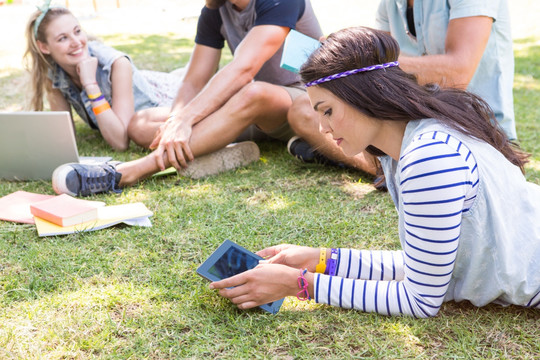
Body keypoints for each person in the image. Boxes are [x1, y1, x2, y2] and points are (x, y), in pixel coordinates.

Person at [209, 27, 540, 317]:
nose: (322, 128)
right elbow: (424, 266)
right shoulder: (410, 147)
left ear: (363, 95)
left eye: (328, 111)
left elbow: (420, 298)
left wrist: (299, 285)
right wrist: (320, 259)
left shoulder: (429, 158)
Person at [51, 0, 323, 197]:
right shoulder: (215, 12)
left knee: (252, 91)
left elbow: (244, 69)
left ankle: (131, 172)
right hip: (255, 113)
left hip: (302, 103)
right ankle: (227, 149)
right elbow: (194, 80)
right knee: (141, 124)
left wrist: (186, 119)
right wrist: (174, 122)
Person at [286, 0, 517, 178]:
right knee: (302, 110)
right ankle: (387, 167)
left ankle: (386, 168)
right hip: (414, 120)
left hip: (471, 127)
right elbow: (379, 83)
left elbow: (457, 72)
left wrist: (358, 60)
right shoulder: (390, 4)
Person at [25, 2, 184, 151]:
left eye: (77, 31)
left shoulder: (116, 63)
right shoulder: (54, 73)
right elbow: (63, 137)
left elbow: (121, 142)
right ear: (44, 47)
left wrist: (90, 85)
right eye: (63, 38)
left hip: (164, 99)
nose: (76, 42)